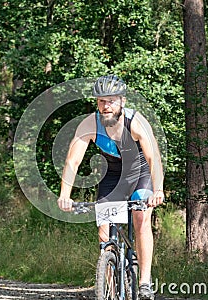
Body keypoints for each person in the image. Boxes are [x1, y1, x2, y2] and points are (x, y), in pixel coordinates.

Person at [57, 74, 164, 299]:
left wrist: (158, 190)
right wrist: (65, 195)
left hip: (140, 173)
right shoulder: (90, 123)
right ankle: (108, 286)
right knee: (104, 229)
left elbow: (154, 159)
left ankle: (144, 281)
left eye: (111, 101)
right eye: (101, 101)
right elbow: (72, 161)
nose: (106, 106)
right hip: (113, 174)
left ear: (122, 101)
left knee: (140, 217)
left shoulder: (135, 122)